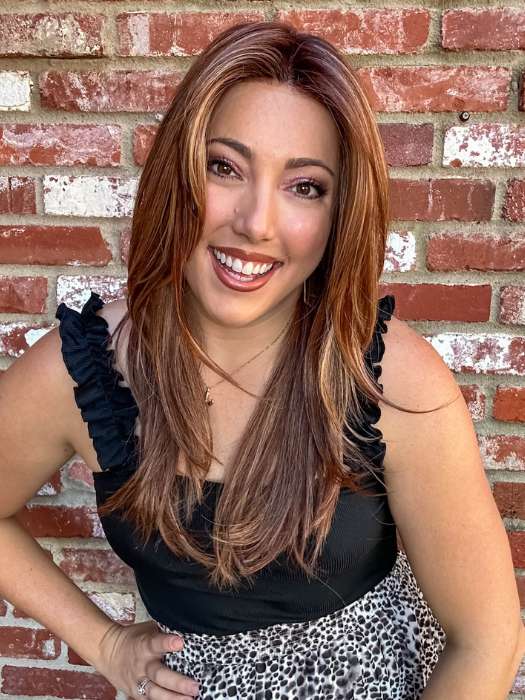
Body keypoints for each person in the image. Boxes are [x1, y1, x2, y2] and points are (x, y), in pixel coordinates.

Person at [1, 19, 523, 700]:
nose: (255, 223)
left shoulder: (390, 381)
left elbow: (486, 639)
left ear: (338, 214)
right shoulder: (90, 373)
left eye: (304, 186)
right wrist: (103, 642)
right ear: (178, 174)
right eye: (224, 167)